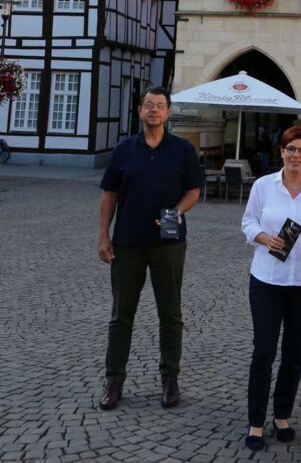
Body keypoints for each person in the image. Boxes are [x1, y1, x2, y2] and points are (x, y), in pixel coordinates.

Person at [97, 86, 203, 411]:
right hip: (127, 242)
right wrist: (103, 235)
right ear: (140, 111)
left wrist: (177, 212)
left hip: (168, 244)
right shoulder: (124, 150)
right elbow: (109, 195)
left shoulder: (182, 150)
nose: (153, 110)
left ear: (168, 112)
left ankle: (170, 379)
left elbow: (194, 190)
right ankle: (114, 381)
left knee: (170, 314)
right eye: (148, 105)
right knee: (120, 316)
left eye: (159, 106)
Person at [241, 125, 301, 451]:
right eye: (290, 149)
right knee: (263, 351)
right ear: (282, 152)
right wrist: (263, 237)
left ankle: (281, 416)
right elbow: (248, 222)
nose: (296, 155)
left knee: (293, 354)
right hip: (267, 279)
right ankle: (255, 421)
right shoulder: (265, 186)